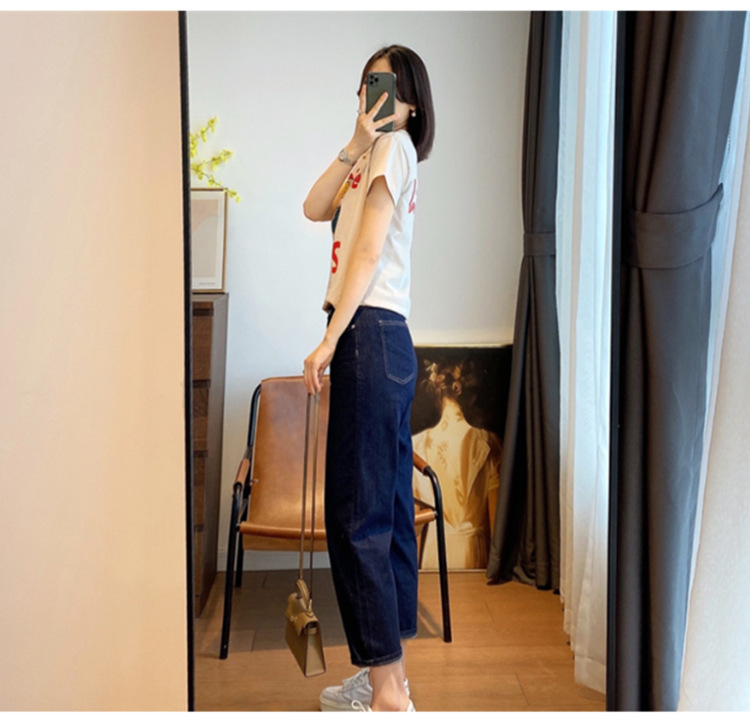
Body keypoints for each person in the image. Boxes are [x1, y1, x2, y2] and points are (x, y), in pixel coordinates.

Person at [302, 45, 435, 712]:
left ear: (412, 103)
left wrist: (331, 338)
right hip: (386, 338)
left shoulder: (394, 150)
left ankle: (385, 694)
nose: (375, 94)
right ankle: (393, 680)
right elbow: (312, 206)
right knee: (383, 514)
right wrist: (354, 142)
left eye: (388, 86)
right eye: (368, 82)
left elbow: (368, 248)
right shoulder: (373, 154)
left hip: (367, 332)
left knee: (358, 517)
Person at [412, 358, 502, 570]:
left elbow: (413, 530)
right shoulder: (489, 443)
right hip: (475, 558)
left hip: (433, 558)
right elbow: (497, 527)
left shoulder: (416, 445)